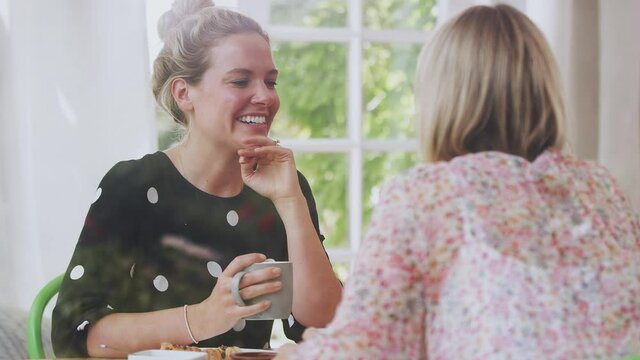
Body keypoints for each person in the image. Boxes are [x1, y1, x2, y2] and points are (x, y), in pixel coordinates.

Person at [276, 4, 640, 359]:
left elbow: (365, 349)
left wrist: (298, 354)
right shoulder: (601, 190)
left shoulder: (431, 194)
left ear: (442, 98)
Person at [51, 0, 342, 357]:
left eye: (271, 81)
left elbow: (326, 326)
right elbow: (74, 333)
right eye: (240, 80)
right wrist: (202, 319)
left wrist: (291, 202)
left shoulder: (284, 188)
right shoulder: (133, 186)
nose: (265, 97)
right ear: (184, 93)